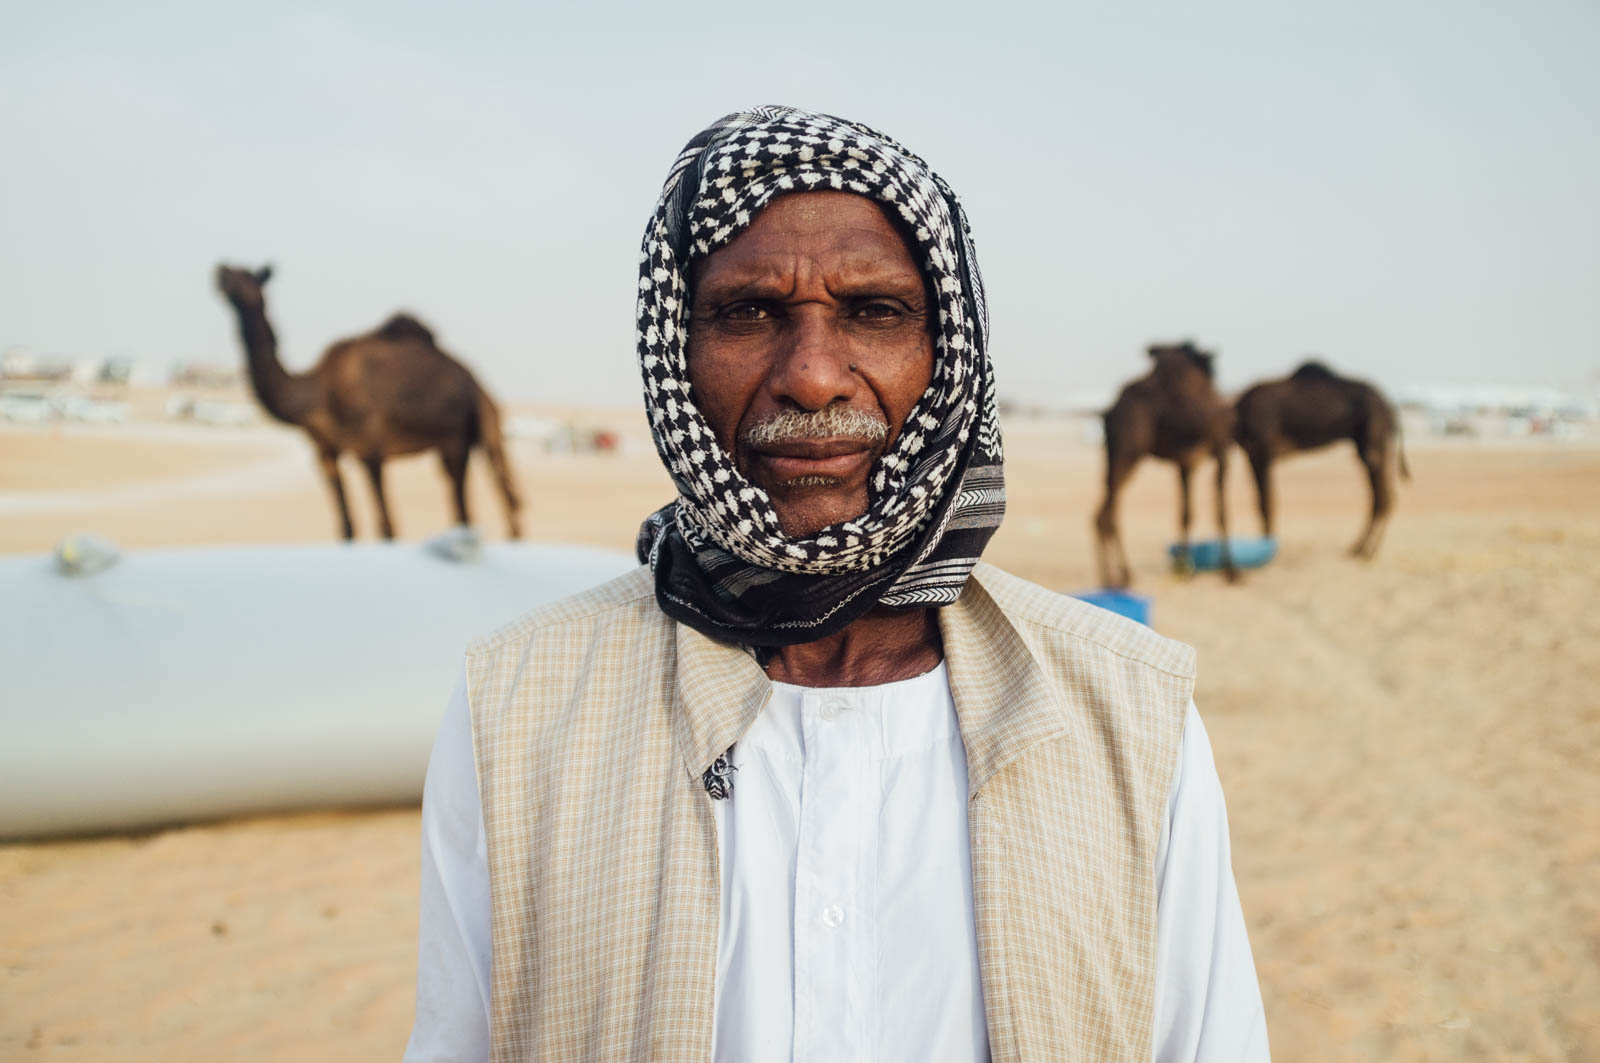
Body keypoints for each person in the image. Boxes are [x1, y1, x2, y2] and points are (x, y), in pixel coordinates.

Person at [404, 106, 1269, 1062]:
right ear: (675, 357)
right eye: (748, 313)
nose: (813, 376)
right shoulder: (518, 707)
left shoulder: (1133, 714)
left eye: (876, 311)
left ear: (949, 353)